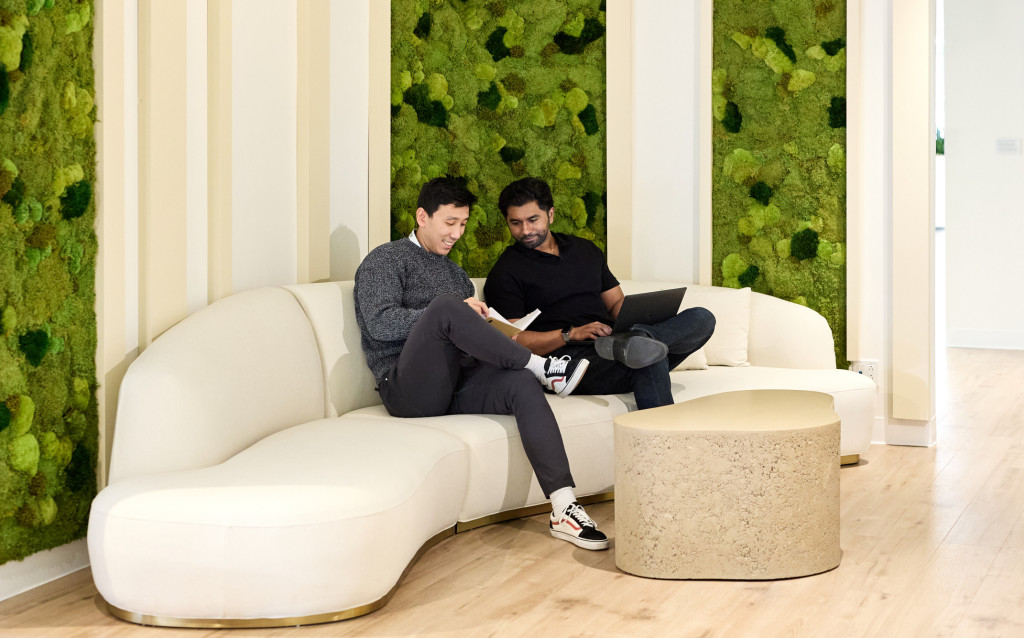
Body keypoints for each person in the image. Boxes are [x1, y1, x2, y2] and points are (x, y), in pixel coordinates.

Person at [353, 177, 608, 550]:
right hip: (406, 389)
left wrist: (488, 329)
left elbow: (464, 338)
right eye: (449, 223)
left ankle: (563, 507)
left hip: (455, 381)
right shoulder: (385, 260)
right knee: (445, 308)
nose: (457, 234)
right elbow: (379, 324)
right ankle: (543, 368)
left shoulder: (456, 274)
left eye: (463, 224)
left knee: (520, 384)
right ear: (422, 217)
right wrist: (450, 313)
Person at [484, 177, 716, 411]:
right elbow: (515, 342)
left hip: (612, 344)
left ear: (550, 214)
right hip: (568, 363)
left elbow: (615, 303)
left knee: (702, 318)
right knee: (649, 358)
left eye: (533, 220)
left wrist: (643, 317)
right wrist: (570, 334)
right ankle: (641, 348)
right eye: (516, 223)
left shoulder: (585, 250)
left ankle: (643, 338)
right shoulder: (505, 272)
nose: (525, 230)